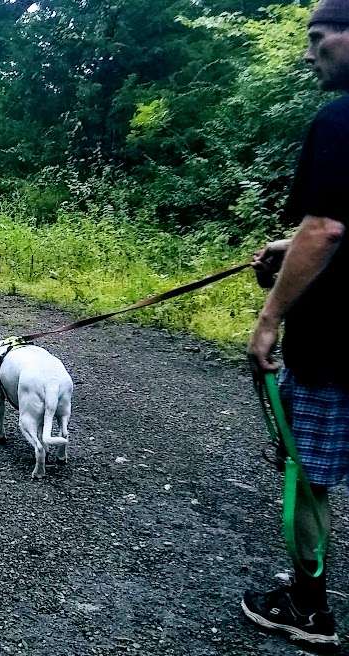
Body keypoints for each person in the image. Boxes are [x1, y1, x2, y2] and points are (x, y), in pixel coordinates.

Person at [245, 0, 349, 647]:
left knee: (306, 474)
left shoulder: (337, 121)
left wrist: (267, 318)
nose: (307, 53)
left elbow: (327, 227)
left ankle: (307, 606)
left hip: (331, 345)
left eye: (317, 38)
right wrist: (292, 246)